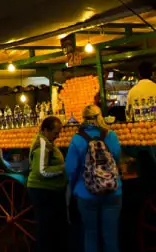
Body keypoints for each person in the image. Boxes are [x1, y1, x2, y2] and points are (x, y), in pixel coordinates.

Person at [65, 105, 122, 252]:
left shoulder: (77, 139)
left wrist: (73, 186)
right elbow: (116, 158)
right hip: (112, 191)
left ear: (83, 118)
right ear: (100, 116)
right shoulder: (111, 135)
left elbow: (70, 169)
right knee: (111, 236)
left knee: (90, 235)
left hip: (86, 193)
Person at [27, 116, 68, 251]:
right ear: (45, 130)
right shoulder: (42, 145)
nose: (58, 135)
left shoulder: (47, 142)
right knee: (46, 229)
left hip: (49, 191)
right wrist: (63, 169)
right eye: (56, 132)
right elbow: (42, 171)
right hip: (43, 191)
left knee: (50, 228)